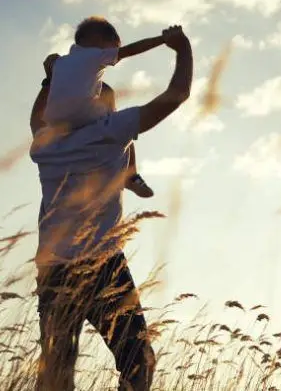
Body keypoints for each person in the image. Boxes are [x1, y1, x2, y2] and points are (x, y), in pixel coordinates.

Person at [27, 20, 194, 391]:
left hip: (53, 270)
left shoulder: (43, 144)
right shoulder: (110, 132)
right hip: (102, 265)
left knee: (55, 376)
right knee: (138, 362)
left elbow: (38, 116)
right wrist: (182, 49)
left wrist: (49, 79)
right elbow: (177, 94)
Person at [41, 16, 158, 198]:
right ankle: (131, 175)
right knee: (122, 125)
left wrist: (49, 72)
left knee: (107, 91)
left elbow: (52, 69)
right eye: (113, 47)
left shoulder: (60, 62)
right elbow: (132, 50)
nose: (114, 53)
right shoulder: (95, 55)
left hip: (53, 122)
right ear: (100, 40)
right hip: (81, 114)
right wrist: (163, 39)